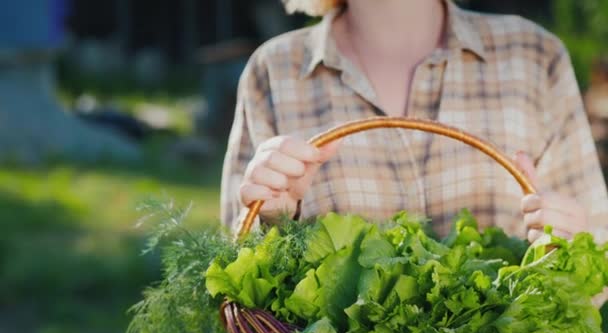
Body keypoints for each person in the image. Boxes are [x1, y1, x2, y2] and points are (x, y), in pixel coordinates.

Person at [221, 0, 607, 303]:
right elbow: (235, 288)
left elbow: (597, 266)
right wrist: (273, 222)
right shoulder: (273, 72)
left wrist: (572, 247)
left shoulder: (533, 56)